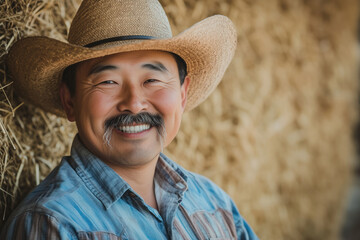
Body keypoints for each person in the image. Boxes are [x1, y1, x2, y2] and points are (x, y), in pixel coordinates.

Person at [1, 0, 259, 239]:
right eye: (108, 82)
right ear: (70, 101)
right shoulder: (54, 224)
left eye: (152, 80)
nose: (134, 103)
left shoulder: (216, 206)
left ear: (182, 95)